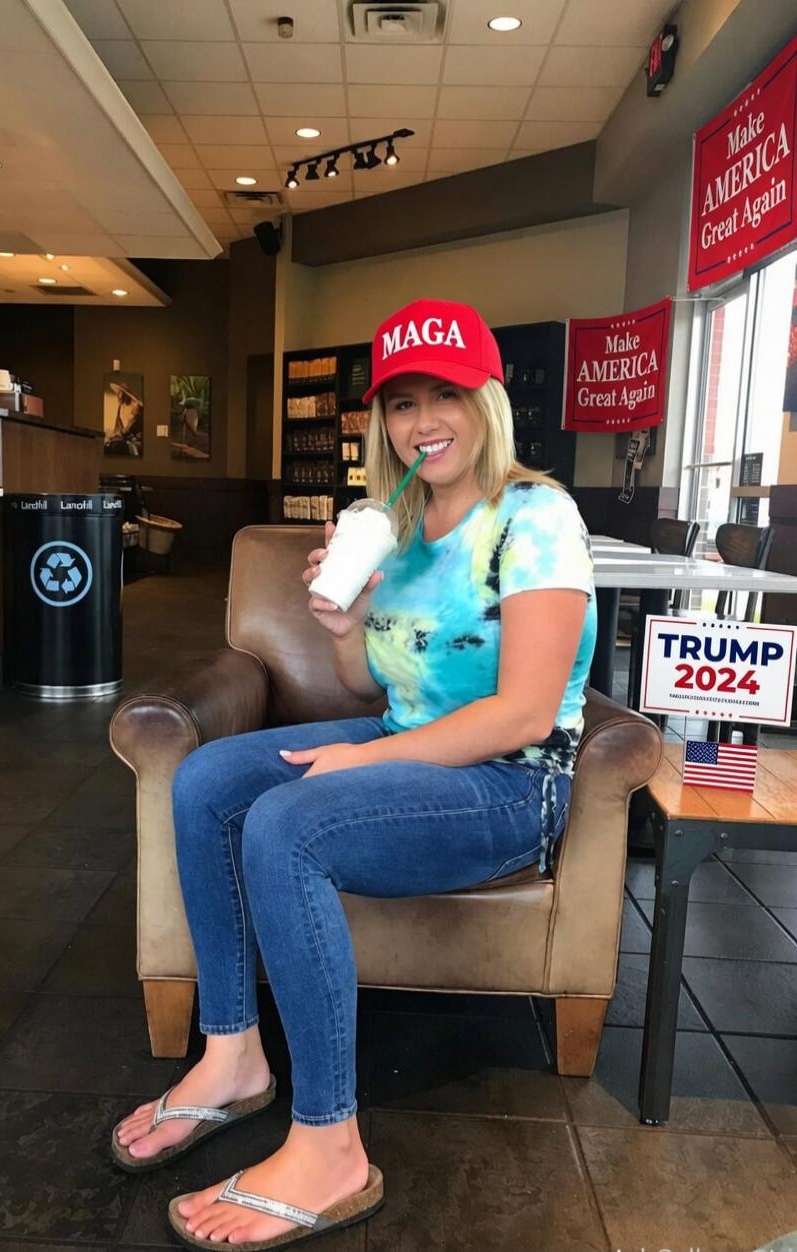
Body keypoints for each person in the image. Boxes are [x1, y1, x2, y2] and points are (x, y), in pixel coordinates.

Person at [111, 298, 597, 1250]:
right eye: (404, 402)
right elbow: (365, 682)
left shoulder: (536, 517)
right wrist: (343, 629)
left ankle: (332, 1147)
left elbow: (524, 712)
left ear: (489, 400)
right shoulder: (398, 521)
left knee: (288, 824)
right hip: (411, 741)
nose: (425, 422)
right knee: (208, 782)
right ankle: (233, 1054)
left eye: (446, 395)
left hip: (512, 783)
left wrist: (364, 758)